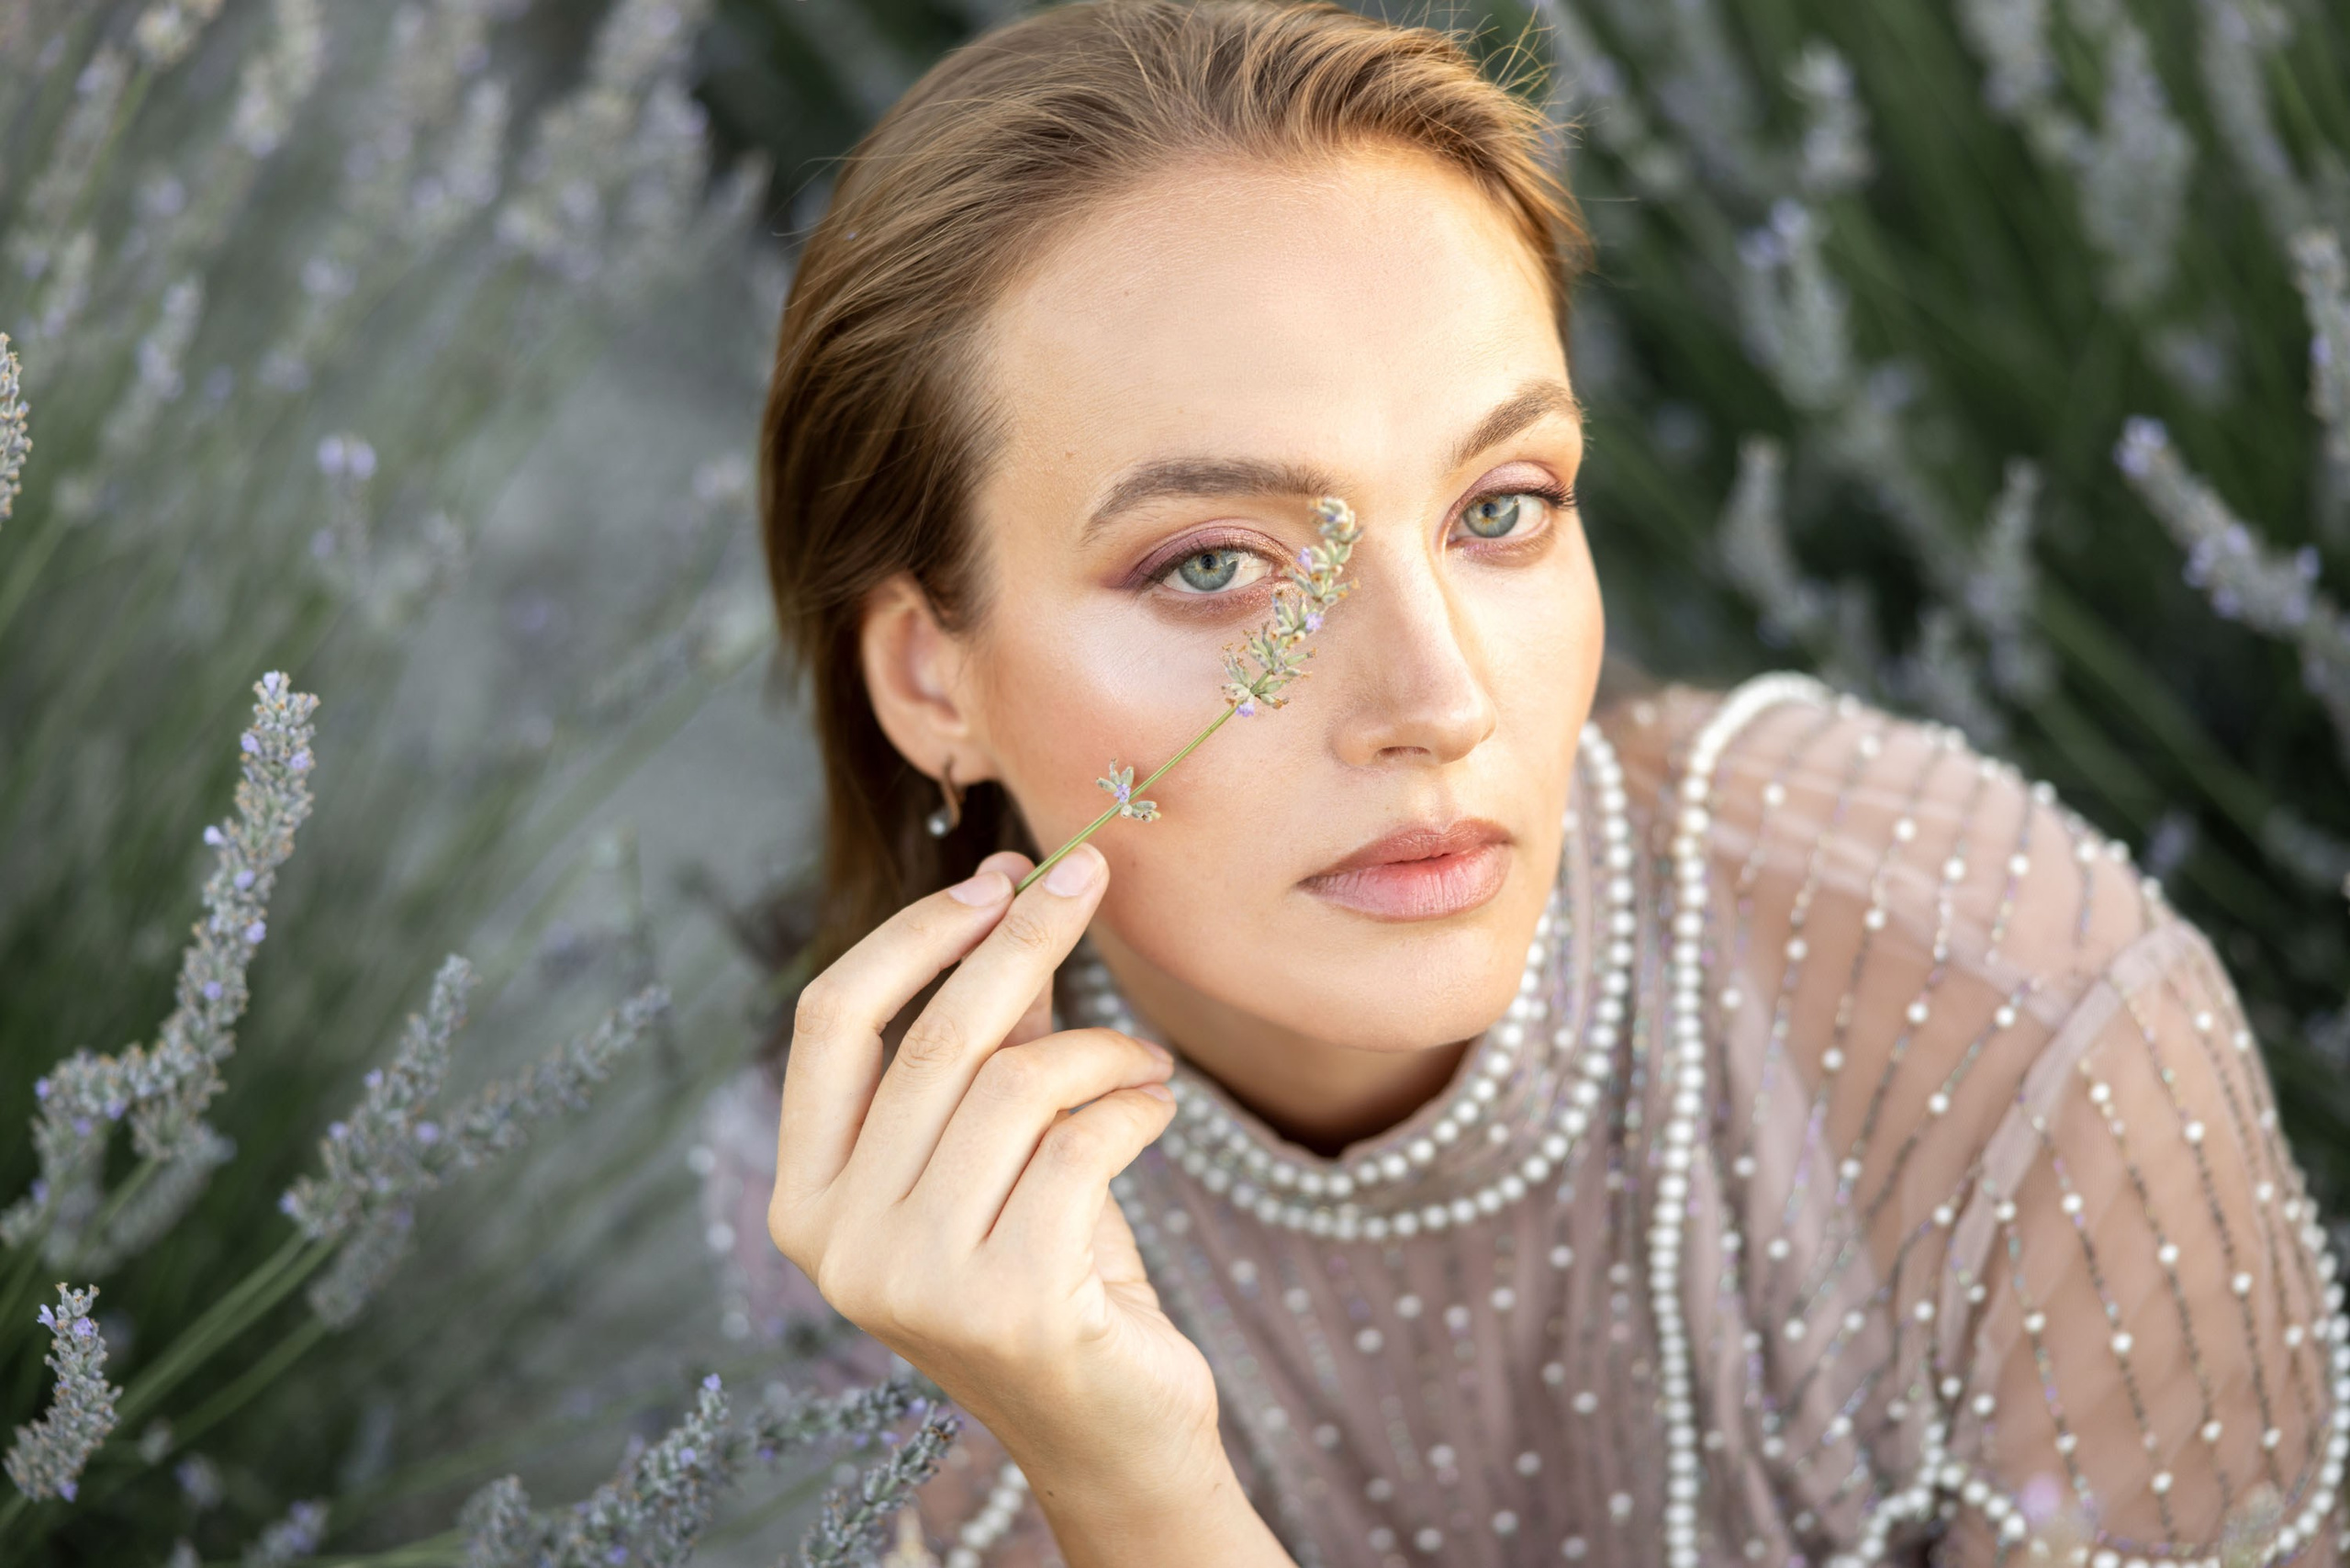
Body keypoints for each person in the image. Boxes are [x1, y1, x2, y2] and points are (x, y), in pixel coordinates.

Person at [701, 1, 2350, 1562]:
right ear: (930, 675)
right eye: (1214, 564)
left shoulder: (1998, 1011)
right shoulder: (894, 1234)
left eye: (1500, 507)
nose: (1439, 699)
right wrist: (1109, 1463)